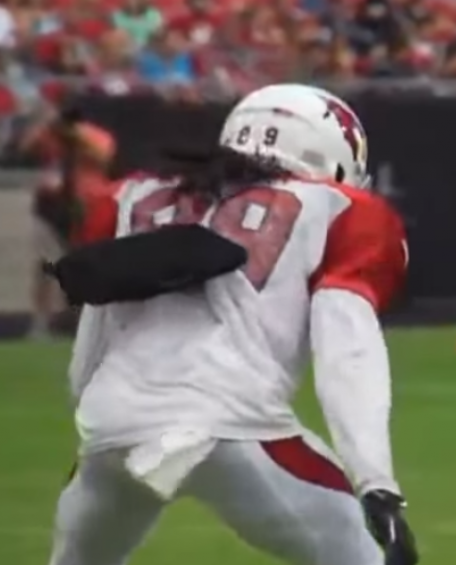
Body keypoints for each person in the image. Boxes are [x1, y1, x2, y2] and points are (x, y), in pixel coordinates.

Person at [48, 84, 418, 565]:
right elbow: (347, 345)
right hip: (226, 425)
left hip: (111, 424)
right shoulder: (336, 208)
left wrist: (95, 419)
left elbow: (98, 319)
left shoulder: (133, 194)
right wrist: (376, 482)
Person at [21, 105, 115, 339]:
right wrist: (45, 125)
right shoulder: (50, 135)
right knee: (46, 265)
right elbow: (26, 149)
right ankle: (41, 324)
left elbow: (104, 158)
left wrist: (75, 137)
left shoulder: (94, 136)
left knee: (82, 264)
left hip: (83, 208)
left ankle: (83, 321)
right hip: (50, 206)